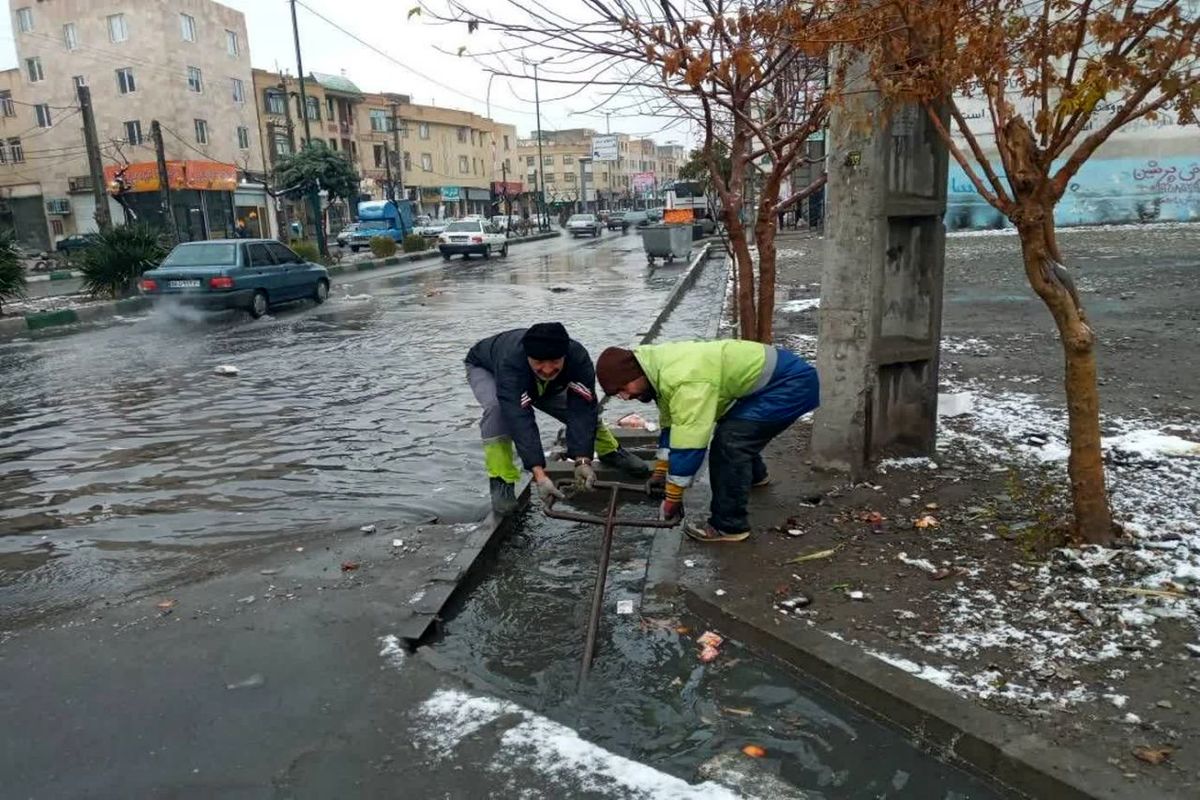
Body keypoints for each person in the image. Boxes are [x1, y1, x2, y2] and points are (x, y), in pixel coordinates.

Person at [595, 340, 819, 543]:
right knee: (737, 431)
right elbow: (672, 425)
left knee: (729, 444)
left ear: (635, 374)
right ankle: (753, 477)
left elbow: (689, 443)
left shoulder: (684, 380)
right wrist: (661, 471)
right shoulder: (658, 369)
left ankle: (729, 526)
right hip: (771, 385)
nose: (625, 397)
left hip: (791, 386)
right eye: (618, 394)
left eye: (623, 389)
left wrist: (673, 497)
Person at [466, 323, 651, 514]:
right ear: (528, 356)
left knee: (587, 411)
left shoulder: (577, 357)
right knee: (498, 413)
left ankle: (609, 451)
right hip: (488, 369)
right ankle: (501, 479)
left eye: (554, 361)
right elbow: (520, 419)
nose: (547, 369)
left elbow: (582, 407)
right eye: (539, 362)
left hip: (538, 382)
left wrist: (582, 460)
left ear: (565, 355)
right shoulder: (510, 363)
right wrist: (539, 475)